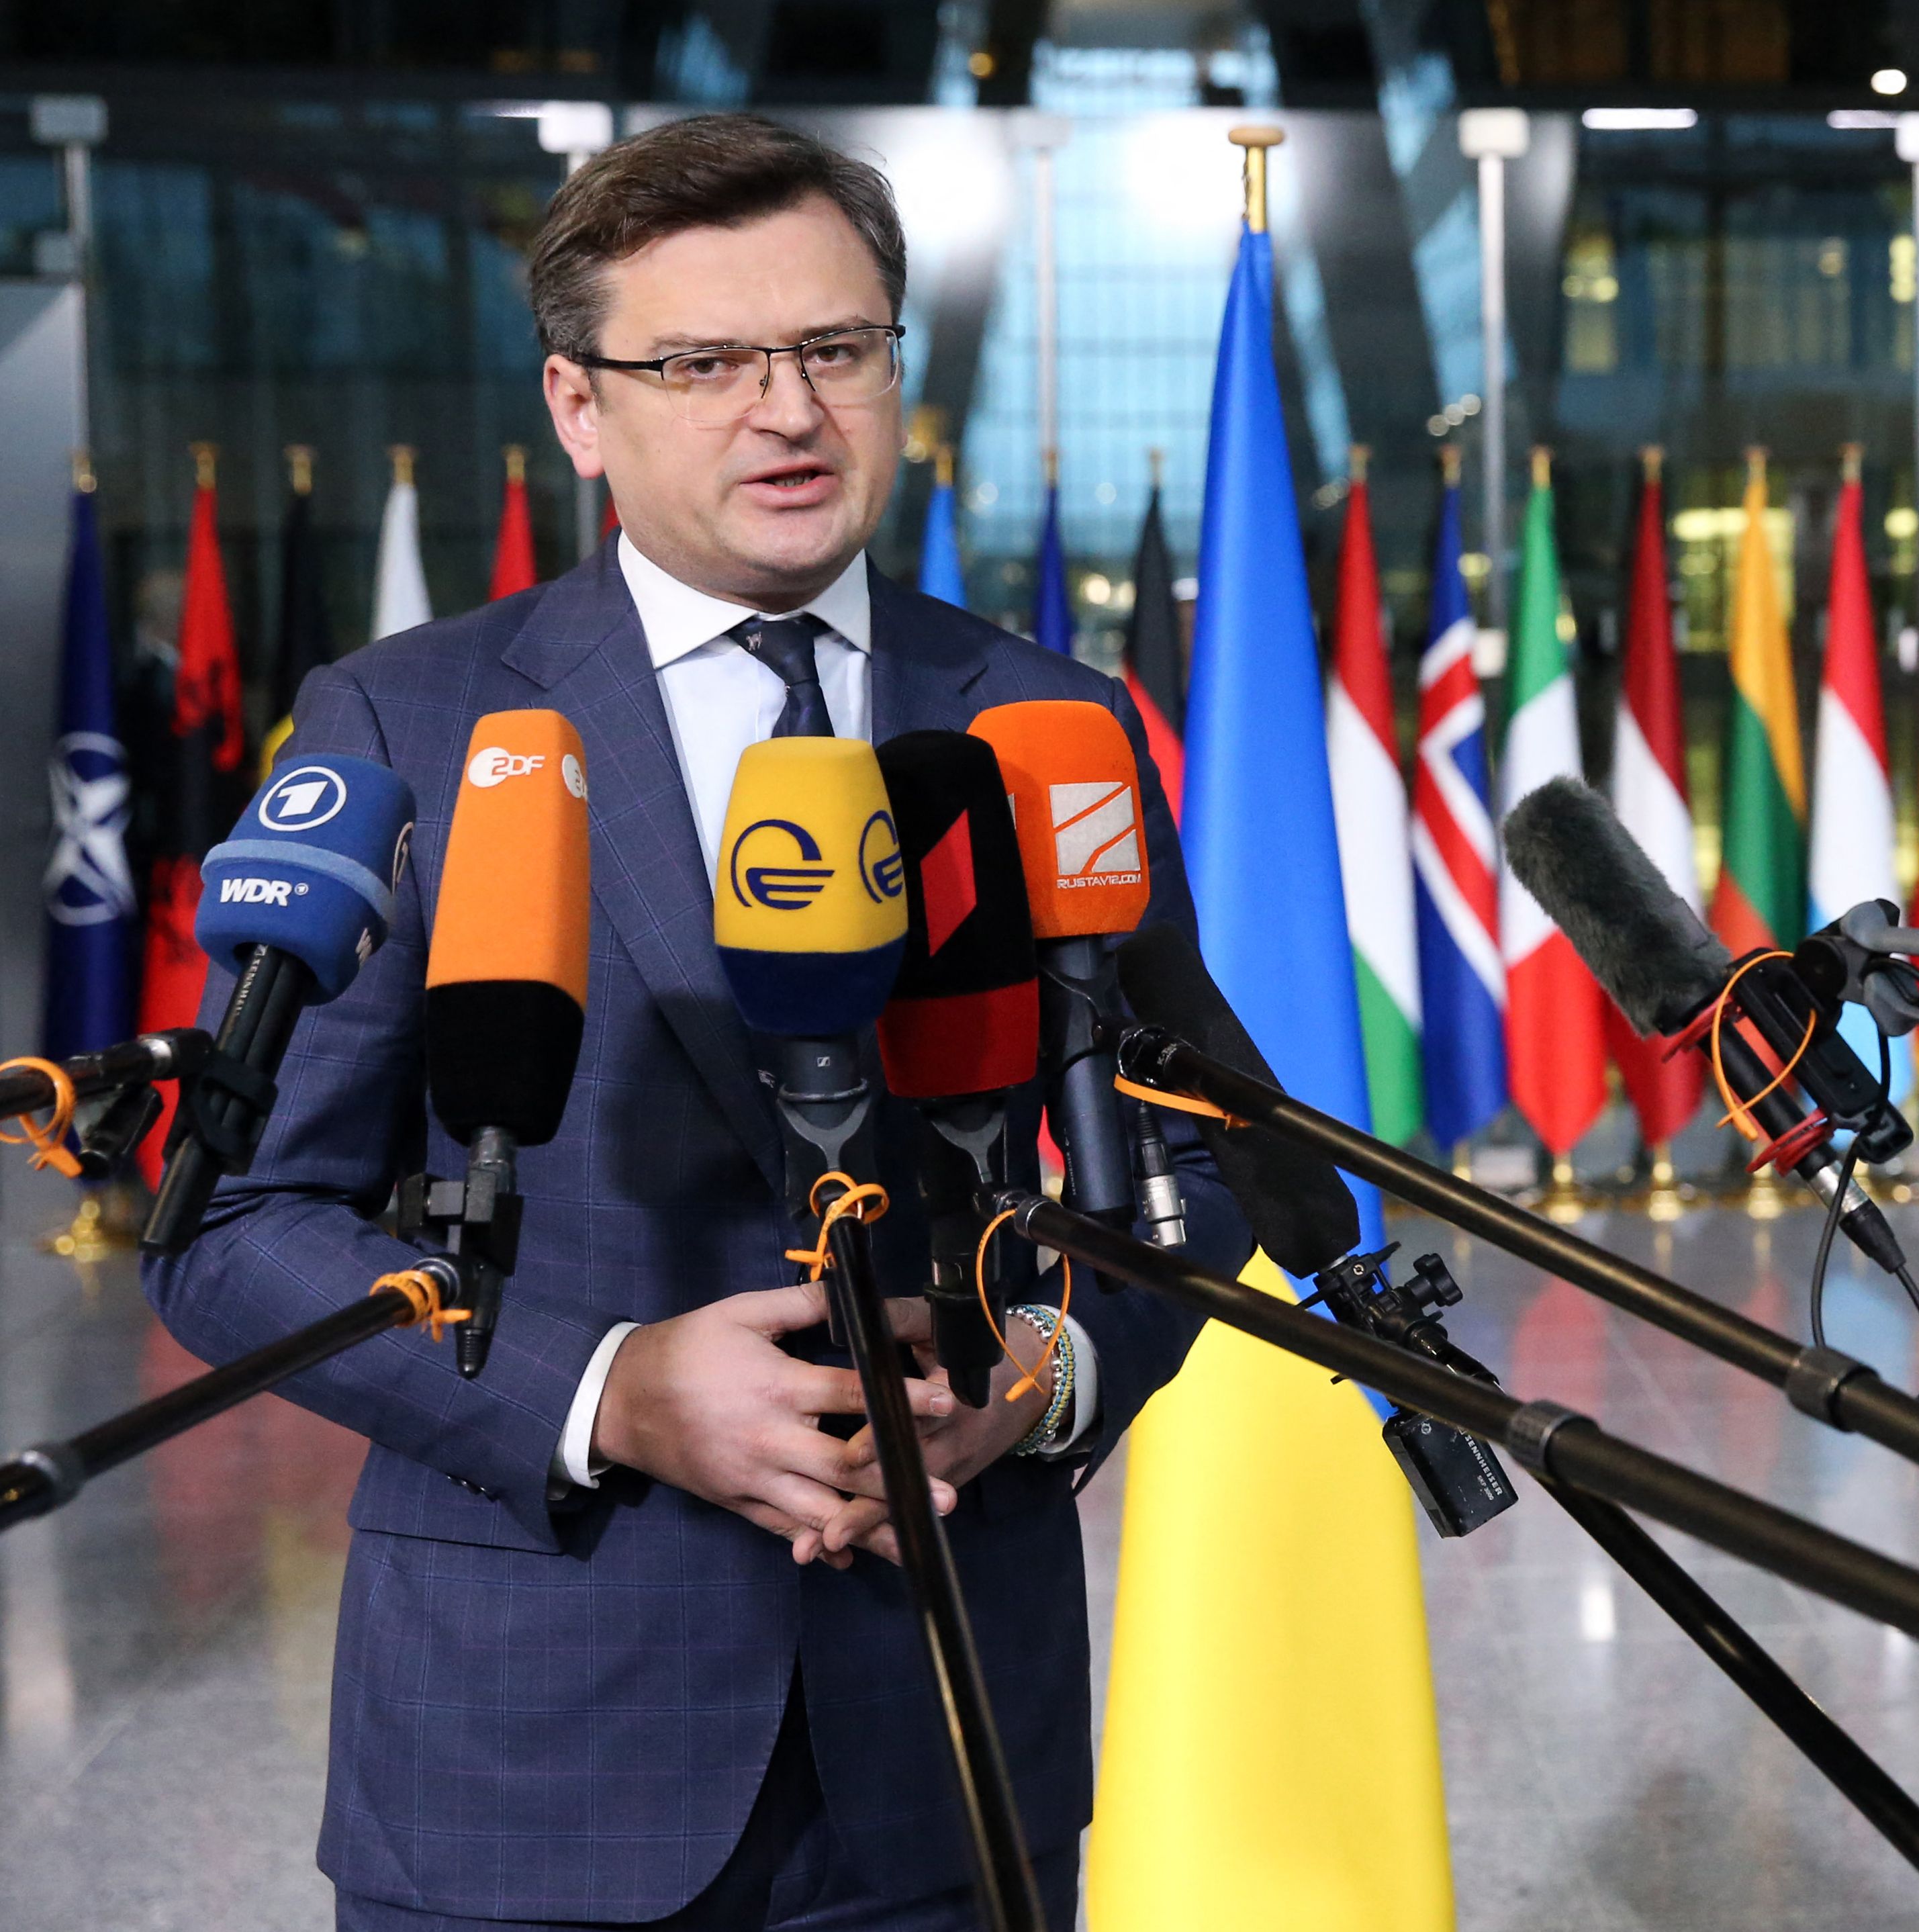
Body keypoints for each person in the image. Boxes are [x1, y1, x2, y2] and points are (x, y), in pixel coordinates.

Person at [144, 114, 1258, 1931]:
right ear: (581, 407)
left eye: (835, 348)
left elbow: (1204, 1154)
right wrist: (604, 1394)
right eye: (705, 362)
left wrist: (1047, 1375)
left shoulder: (1043, 718)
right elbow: (233, 1225)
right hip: (532, 1750)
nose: (788, 410)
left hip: (949, 1737)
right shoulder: (408, 724)